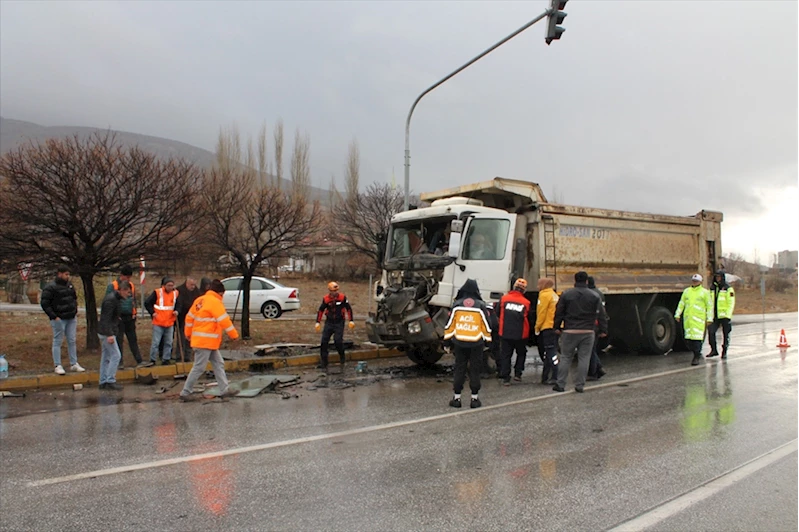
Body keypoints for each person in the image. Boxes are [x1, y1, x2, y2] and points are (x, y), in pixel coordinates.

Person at [179, 279, 240, 401]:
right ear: (220, 293)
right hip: (205, 341)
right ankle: (185, 392)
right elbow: (224, 320)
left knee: (218, 364)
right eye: (222, 294)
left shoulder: (200, 300)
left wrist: (188, 333)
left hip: (204, 341)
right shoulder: (215, 302)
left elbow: (189, 318)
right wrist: (234, 335)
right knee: (199, 367)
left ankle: (224, 390)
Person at [552, 271, 608, 393]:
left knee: (566, 357)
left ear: (575, 280)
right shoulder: (594, 296)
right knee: (584, 358)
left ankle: (560, 384)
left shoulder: (566, 294)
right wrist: (603, 330)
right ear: (587, 281)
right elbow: (602, 315)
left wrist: (556, 327)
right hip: (588, 331)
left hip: (570, 330)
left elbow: (559, 312)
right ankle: (580, 385)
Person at [444, 279, 493, 408]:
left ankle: (457, 399)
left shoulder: (457, 305)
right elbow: (487, 325)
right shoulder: (481, 305)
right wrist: (488, 342)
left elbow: (449, 325)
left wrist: (447, 343)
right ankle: (474, 399)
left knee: (460, 369)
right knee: (475, 370)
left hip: (459, 343)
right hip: (476, 343)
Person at [41, 265, 84, 375]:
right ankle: (57, 364)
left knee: (72, 340)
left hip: (71, 317)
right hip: (59, 318)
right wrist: (54, 316)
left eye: (68, 274)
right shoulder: (50, 287)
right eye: (66, 274)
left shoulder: (69, 285)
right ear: (59, 274)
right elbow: (45, 303)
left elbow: (74, 298)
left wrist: (74, 311)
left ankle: (74, 363)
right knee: (57, 341)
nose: (67, 276)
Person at [106, 265, 143, 368]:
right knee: (119, 339)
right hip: (119, 317)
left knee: (133, 339)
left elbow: (133, 300)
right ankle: (119, 362)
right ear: (122, 275)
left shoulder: (131, 285)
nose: (128, 279)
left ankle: (139, 360)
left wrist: (134, 313)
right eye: (127, 277)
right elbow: (109, 301)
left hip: (130, 317)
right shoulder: (113, 286)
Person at [497, 278, 532, 385]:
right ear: (524, 290)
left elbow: (497, 312)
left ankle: (505, 377)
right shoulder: (526, 302)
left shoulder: (504, 299)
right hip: (521, 334)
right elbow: (529, 317)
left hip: (505, 332)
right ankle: (518, 373)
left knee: (506, 354)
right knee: (521, 353)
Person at [97, 280, 131, 391]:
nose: (128, 295)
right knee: (116, 355)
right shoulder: (111, 300)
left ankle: (103, 381)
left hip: (104, 331)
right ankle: (110, 380)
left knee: (106, 357)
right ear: (122, 290)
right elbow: (105, 319)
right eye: (127, 292)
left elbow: (109, 316)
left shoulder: (114, 299)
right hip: (107, 332)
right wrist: (110, 334)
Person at [315, 282, 355, 371]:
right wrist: (317, 322)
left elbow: (348, 309)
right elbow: (321, 310)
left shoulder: (342, 298)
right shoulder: (326, 299)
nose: (334, 293)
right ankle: (324, 362)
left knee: (338, 341)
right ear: (329, 291)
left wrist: (351, 320)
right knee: (324, 342)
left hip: (339, 322)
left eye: (336, 291)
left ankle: (342, 357)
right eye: (332, 291)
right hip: (329, 322)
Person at [675, 273, 713, 366]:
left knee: (697, 339)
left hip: (699, 320)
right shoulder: (687, 291)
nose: (695, 282)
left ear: (700, 282)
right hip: (688, 320)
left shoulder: (705, 292)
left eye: (696, 281)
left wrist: (709, 318)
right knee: (688, 340)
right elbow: (682, 303)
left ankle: (696, 356)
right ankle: (696, 352)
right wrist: (677, 314)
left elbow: (709, 306)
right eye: (693, 281)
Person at [144, 277, 179, 366]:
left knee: (169, 342)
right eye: (169, 285)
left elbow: (179, 304)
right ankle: (153, 359)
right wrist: (152, 313)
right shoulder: (157, 292)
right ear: (164, 286)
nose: (170, 287)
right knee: (156, 342)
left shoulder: (175, 293)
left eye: (172, 285)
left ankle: (166, 359)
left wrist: (177, 311)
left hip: (170, 322)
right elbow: (147, 303)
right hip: (158, 322)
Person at [535, 277, 560, 385]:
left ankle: (555, 374)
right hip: (554, 326)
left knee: (550, 352)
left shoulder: (544, 295)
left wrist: (537, 327)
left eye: (539, 284)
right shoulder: (554, 295)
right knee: (549, 351)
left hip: (547, 326)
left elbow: (541, 313)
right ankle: (545, 376)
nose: (537, 286)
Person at [707, 269, 735, 359]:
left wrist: (728, 315)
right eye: (716, 277)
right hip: (714, 315)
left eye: (719, 277)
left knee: (726, 334)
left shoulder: (728, 288)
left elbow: (731, 303)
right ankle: (714, 350)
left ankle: (724, 351)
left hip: (724, 315)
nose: (717, 278)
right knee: (711, 332)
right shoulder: (712, 288)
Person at [586, 276, 608, 380]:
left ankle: (594, 372)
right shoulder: (599, 293)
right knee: (592, 349)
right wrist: (603, 328)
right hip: (598, 324)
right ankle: (599, 368)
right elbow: (603, 313)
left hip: (592, 324)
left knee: (590, 350)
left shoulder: (590, 295)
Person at [175, 277, 201, 361]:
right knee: (181, 338)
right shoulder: (179, 290)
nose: (193, 287)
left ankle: (187, 356)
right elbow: (179, 304)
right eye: (191, 285)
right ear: (186, 283)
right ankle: (179, 356)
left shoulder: (196, 291)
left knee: (189, 339)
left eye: (194, 285)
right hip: (182, 318)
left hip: (193, 319)